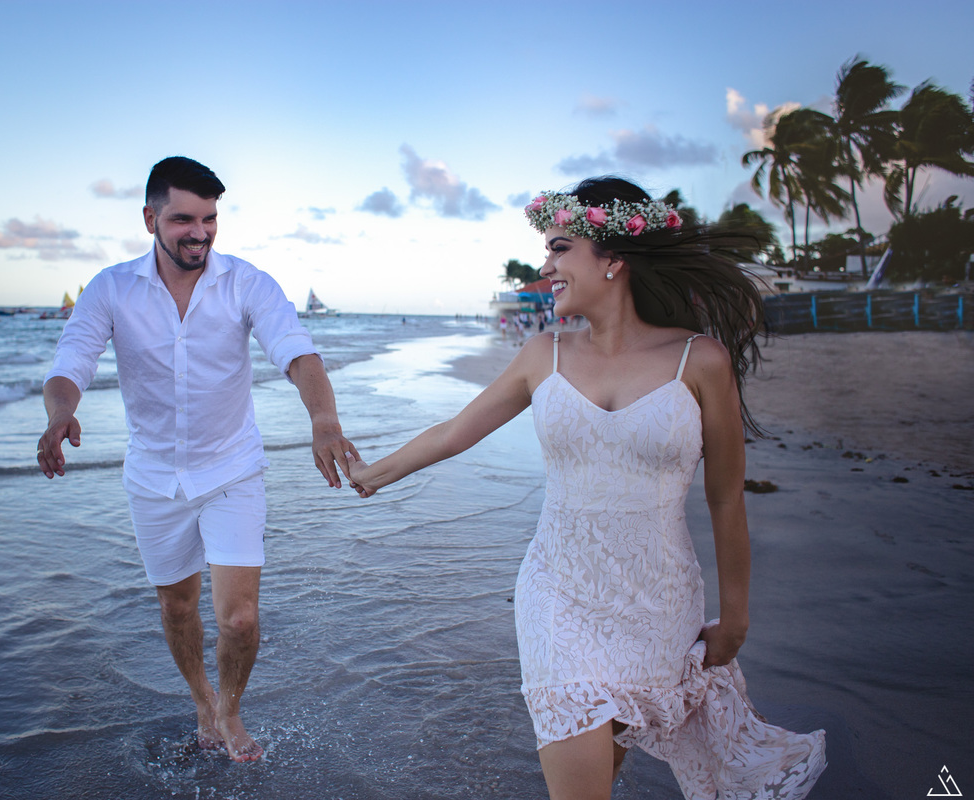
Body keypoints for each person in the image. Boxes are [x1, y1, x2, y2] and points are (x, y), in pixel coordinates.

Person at [346, 177, 826, 799]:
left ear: (614, 258)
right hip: (558, 592)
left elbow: (726, 497)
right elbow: (454, 433)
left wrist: (735, 616)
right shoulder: (542, 354)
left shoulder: (701, 360)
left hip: (658, 603)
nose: (546, 268)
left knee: (601, 774)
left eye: (559, 249)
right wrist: (371, 474)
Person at [37, 156, 357, 763]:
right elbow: (71, 361)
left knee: (239, 619)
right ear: (150, 219)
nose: (200, 232)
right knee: (177, 606)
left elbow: (296, 352)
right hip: (153, 477)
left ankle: (229, 709)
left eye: (209, 219)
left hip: (232, 468)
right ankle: (201, 699)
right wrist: (59, 415)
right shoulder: (111, 288)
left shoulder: (246, 282)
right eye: (183, 219)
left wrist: (324, 422)